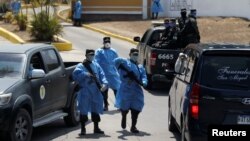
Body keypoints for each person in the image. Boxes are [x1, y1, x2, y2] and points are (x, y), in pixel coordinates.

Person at [72, 49, 108, 136]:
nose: (92, 56)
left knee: (95, 109)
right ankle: (83, 128)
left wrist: (104, 84)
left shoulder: (96, 65)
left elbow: (102, 75)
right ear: (86, 55)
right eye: (90, 54)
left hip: (96, 91)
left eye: (93, 54)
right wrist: (84, 74)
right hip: (85, 91)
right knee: (83, 110)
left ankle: (96, 127)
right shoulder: (80, 66)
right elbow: (75, 76)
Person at [114, 48, 148, 133]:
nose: (135, 56)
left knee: (136, 109)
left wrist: (144, 82)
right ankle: (124, 116)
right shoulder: (125, 63)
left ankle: (133, 126)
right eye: (134, 54)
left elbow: (144, 76)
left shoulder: (140, 67)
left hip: (136, 89)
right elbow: (115, 61)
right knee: (124, 107)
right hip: (126, 88)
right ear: (130, 55)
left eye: (137, 54)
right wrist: (124, 60)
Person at [95, 37, 121, 111]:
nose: (107, 43)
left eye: (108, 42)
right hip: (104, 74)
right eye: (106, 42)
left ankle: (119, 104)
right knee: (104, 91)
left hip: (113, 74)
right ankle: (106, 105)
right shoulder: (99, 51)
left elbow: (117, 61)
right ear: (103, 43)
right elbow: (96, 62)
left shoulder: (113, 51)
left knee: (116, 89)